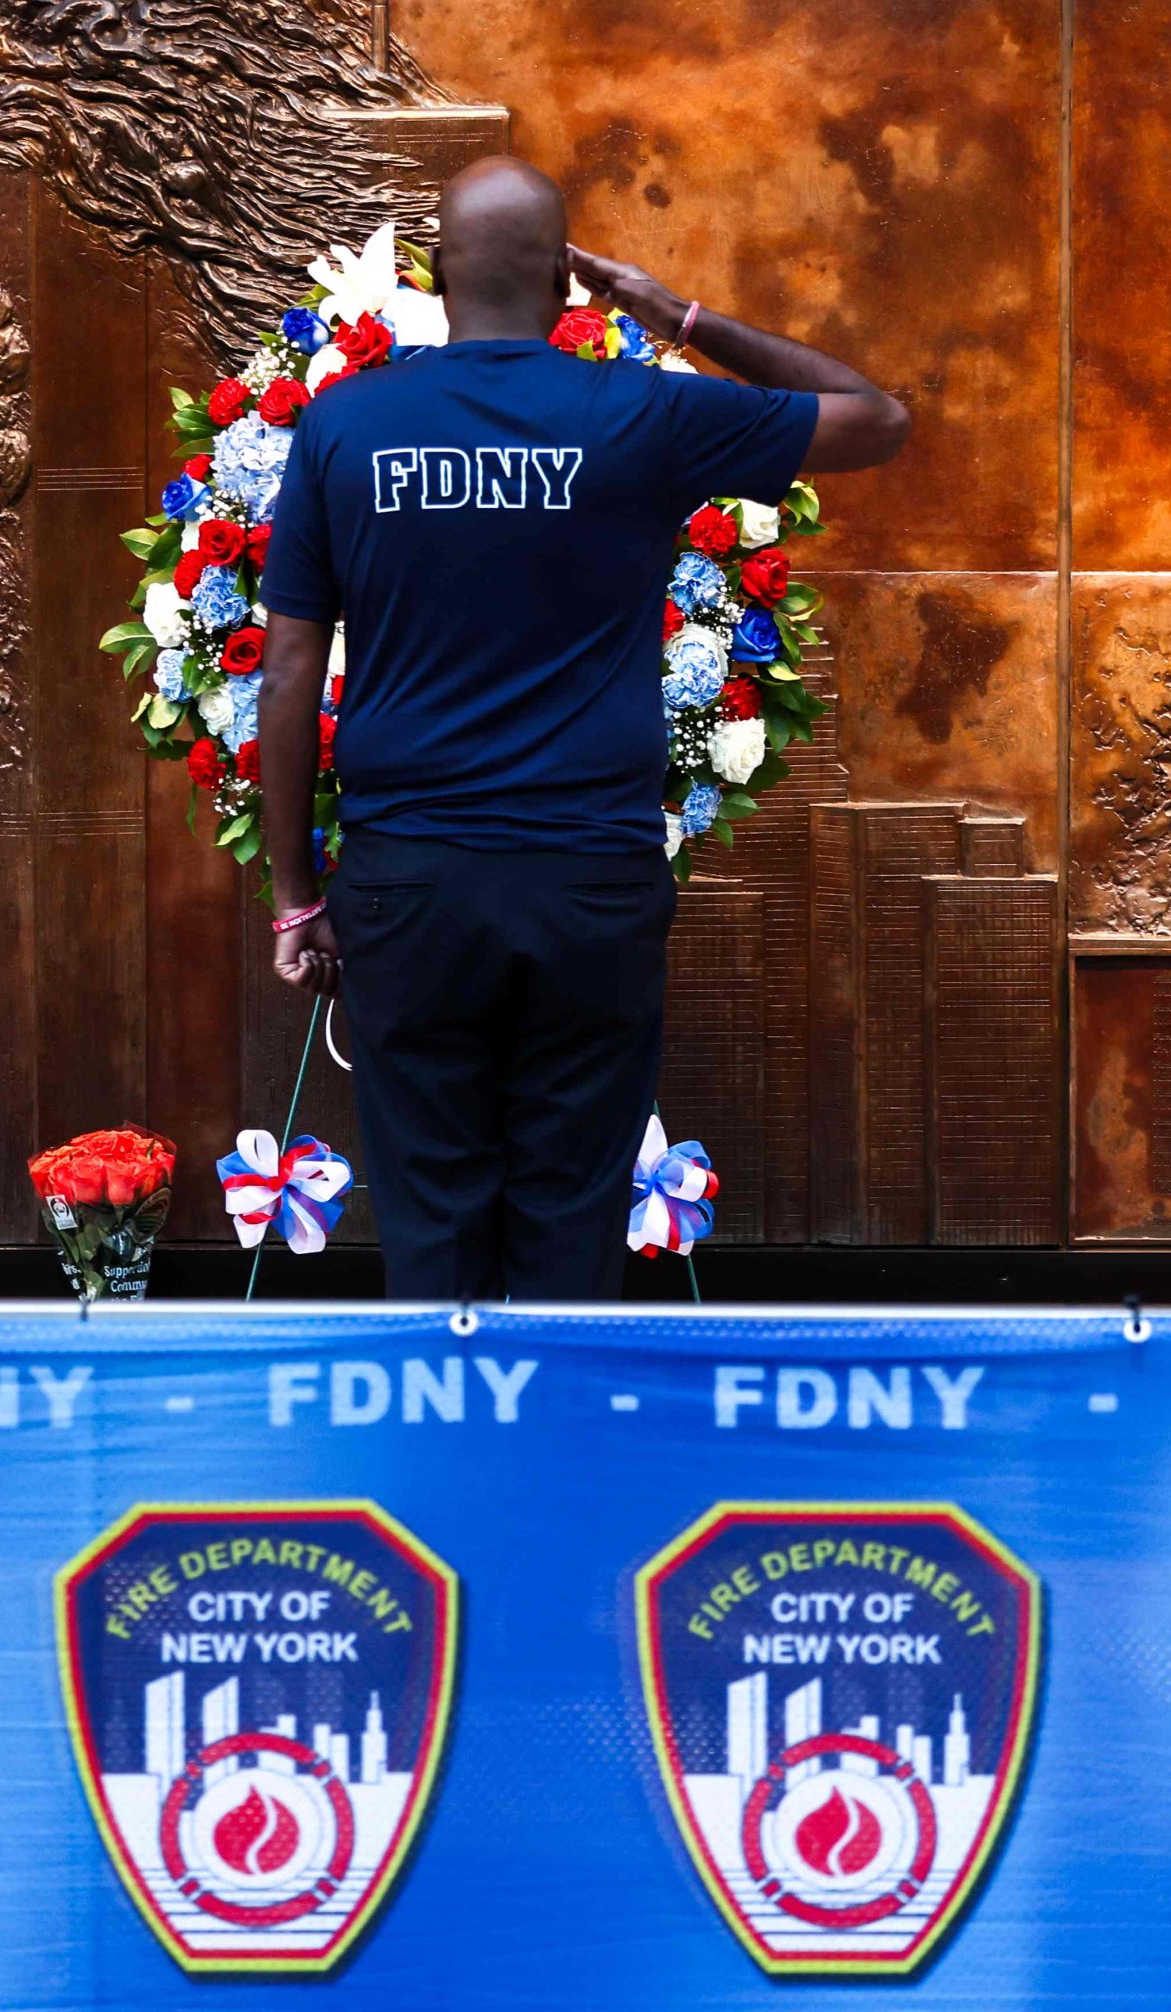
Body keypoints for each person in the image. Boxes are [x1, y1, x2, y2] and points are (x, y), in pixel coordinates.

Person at [256, 158, 909, 1300]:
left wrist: (297, 896)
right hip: (587, 878)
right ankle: (563, 1457)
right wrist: (672, 313)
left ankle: (440, 1455)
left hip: (408, 881)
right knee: (570, 1209)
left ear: (434, 274)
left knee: (429, 1203)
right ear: (568, 281)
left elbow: (290, 672)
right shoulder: (641, 411)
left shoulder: (344, 427)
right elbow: (878, 418)